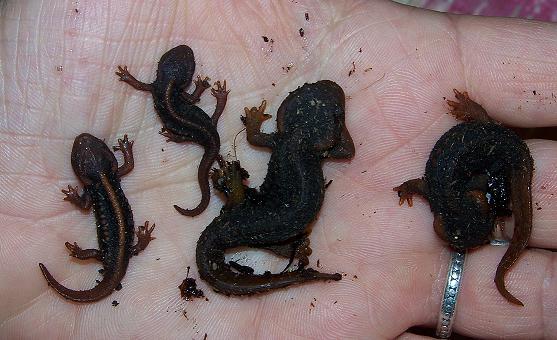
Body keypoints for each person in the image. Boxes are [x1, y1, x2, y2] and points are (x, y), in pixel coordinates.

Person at [1, 1, 556, 338]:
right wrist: (337, 135)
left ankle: (289, 261)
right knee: (271, 219)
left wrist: (256, 134)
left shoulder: (289, 141)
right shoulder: (318, 149)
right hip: (276, 217)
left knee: (266, 217)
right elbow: (342, 151)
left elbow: (270, 138)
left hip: (271, 216)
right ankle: (290, 263)